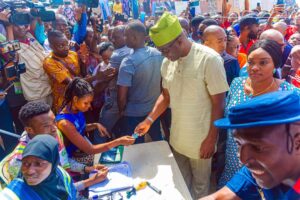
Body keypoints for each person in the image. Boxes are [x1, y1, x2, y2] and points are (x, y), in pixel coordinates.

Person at [135, 12, 229, 198]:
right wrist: (149, 119)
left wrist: (211, 139)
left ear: (179, 40)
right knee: (180, 183)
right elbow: (166, 96)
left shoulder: (209, 60)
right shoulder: (167, 63)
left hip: (201, 141)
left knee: (201, 187)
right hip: (178, 138)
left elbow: (219, 103)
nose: (163, 54)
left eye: (165, 50)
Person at [217, 39, 300, 189]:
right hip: (234, 159)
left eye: (263, 63)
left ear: (275, 64)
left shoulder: (290, 94)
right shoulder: (237, 84)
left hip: (268, 169)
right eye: (250, 62)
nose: (254, 68)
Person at [201, 91, 300, 200]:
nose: (243, 159)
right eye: (239, 144)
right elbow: (221, 197)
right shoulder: (265, 170)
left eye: (258, 147)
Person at [0, 101, 109, 192]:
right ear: (29, 130)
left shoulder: (54, 134)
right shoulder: (21, 163)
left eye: (54, 122)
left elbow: (64, 162)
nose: (54, 129)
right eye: (46, 126)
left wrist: (87, 169)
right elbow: (52, 193)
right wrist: (90, 181)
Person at [56, 78, 135, 165]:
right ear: (75, 99)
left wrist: (95, 125)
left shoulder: (75, 109)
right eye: (86, 103)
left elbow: (79, 128)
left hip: (80, 150)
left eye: (90, 102)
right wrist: (118, 141)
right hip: (70, 159)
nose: (89, 106)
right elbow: (90, 149)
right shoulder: (64, 123)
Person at [116, 21, 163, 143]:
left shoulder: (128, 62)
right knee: (157, 142)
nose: (124, 38)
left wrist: (121, 111)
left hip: (133, 114)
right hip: (154, 111)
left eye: (126, 35)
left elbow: (122, 96)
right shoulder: (158, 54)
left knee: (135, 146)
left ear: (135, 37)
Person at [0, 134, 77, 199]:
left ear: (53, 162)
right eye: (25, 163)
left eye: (38, 164)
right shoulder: (12, 195)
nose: (30, 171)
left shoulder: (61, 174)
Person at [99, 25, 131, 133]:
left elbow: (106, 77)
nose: (112, 40)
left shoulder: (117, 55)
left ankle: (100, 149)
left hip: (117, 99)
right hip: (133, 99)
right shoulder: (134, 49)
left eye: (116, 37)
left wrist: (94, 87)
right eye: (111, 37)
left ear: (126, 36)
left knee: (101, 130)